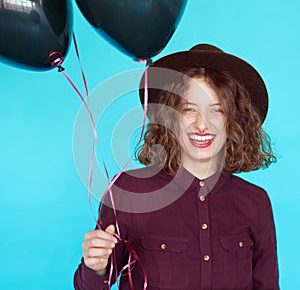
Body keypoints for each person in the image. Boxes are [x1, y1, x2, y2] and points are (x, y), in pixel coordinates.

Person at [74, 44, 279, 290]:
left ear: (234, 121)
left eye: (217, 110)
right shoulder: (130, 192)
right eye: (189, 109)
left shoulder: (255, 202)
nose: (202, 124)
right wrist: (95, 267)